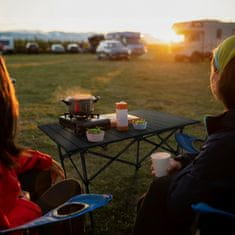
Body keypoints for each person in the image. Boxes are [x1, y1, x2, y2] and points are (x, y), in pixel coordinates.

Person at [134, 35, 235, 235]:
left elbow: (181, 200)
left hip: (212, 220)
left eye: (213, 70)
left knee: (158, 189)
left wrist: (172, 176)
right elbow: (214, 164)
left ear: (220, 78)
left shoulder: (226, 139)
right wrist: (181, 162)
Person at [0, 56, 83, 234]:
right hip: (19, 222)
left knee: (44, 175)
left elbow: (6, 156)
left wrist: (41, 160)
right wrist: (28, 206)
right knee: (72, 189)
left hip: (15, 207)